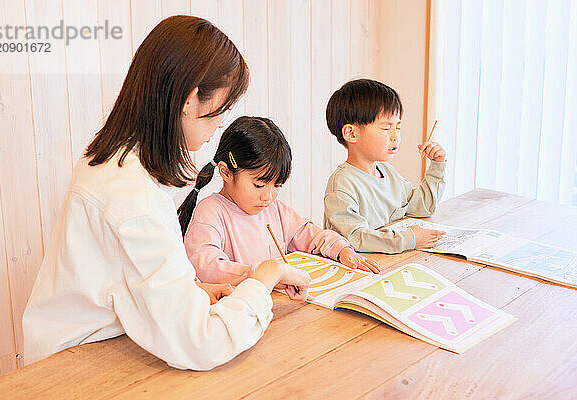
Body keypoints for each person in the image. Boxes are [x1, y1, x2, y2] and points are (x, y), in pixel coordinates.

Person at [22, 15, 310, 371]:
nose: (220, 123)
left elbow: (124, 280)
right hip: (75, 366)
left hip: (87, 346)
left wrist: (196, 292)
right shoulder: (132, 195)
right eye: (221, 109)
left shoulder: (117, 160)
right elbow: (202, 343)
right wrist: (265, 278)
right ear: (191, 101)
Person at [180, 116, 381, 285]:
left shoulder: (273, 209)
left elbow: (310, 235)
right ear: (225, 172)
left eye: (277, 186)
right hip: (241, 315)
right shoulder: (211, 211)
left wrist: (341, 249)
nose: (268, 197)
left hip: (279, 309)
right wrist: (264, 274)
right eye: (259, 185)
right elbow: (205, 266)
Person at [323, 79, 447, 254]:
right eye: (386, 128)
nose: (395, 136)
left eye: (398, 127)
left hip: (391, 263)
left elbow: (422, 207)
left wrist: (437, 165)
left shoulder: (387, 172)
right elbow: (356, 239)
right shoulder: (342, 184)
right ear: (351, 133)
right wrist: (410, 239)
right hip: (361, 273)